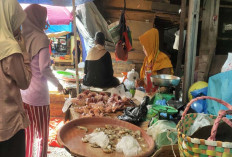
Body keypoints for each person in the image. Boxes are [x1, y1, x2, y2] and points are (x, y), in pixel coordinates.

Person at [20, 4, 63, 157]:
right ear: (39, 18)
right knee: (42, 135)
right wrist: (58, 84)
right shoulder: (41, 38)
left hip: (25, 93)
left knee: (29, 134)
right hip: (38, 96)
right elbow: (44, 68)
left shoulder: (23, 37)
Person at [0, 0, 32, 157]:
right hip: (9, 127)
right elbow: (24, 82)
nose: (19, 27)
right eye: (16, 21)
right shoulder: (10, 49)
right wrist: (24, 51)